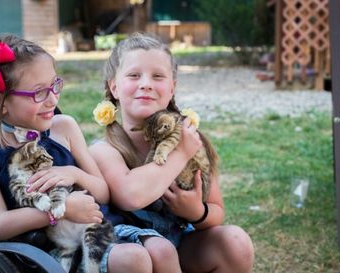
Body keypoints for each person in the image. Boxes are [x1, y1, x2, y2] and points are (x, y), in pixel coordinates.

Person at [0, 34, 153, 273]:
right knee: (133, 259)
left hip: (94, 231)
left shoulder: (64, 127)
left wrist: (74, 173)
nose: (53, 99)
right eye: (38, 93)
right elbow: (0, 225)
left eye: (54, 85)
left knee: (158, 250)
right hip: (42, 250)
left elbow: (102, 193)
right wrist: (59, 211)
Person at [89, 32, 254, 273]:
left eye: (158, 76)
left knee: (235, 242)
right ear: (114, 86)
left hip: (179, 241)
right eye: (134, 75)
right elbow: (131, 195)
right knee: (157, 251)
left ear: (171, 89)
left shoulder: (192, 140)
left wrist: (196, 212)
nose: (146, 83)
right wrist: (180, 153)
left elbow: (216, 210)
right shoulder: (104, 149)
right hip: (132, 252)